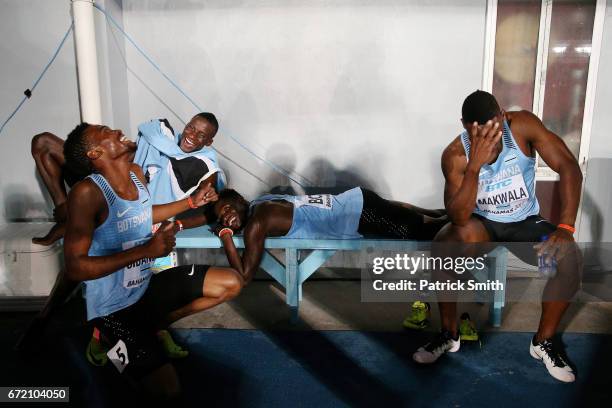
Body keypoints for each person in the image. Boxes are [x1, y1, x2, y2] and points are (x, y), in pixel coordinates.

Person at [411, 90, 582, 383]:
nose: (487, 139)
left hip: (525, 222)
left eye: (492, 130)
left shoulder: (523, 126)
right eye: (477, 134)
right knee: (444, 246)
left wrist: (565, 227)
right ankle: (449, 334)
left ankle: (542, 343)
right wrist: (475, 165)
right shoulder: (455, 155)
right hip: (483, 224)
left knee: (570, 260)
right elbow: (459, 217)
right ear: (464, 126)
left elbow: (568, 166)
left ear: (502, 116)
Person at [61, 122, 242, 398]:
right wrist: (146, 251)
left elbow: (145, 212)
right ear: (95, 154)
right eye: (105, 133)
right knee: (166, 392)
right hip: (112, 309)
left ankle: (148, 330)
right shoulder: (87, 194)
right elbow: (75, 268)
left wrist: (190, 203)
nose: (115, 130)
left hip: (145, 291)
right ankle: (114, 345)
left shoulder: (135, 174)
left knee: (231, 282)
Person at [30, 113, 221, 245]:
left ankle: (70, 220)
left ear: (208, 142)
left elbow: (209, 196)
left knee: (113, 210)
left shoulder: (204, 164)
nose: (191, 135)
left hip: (129, 206)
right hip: (110, 182)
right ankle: (64, 210)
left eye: (201, 135)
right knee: (43, 142)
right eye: (190, 128)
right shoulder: (162, 132)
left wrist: (180, 222)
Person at [211, 187, 447, 283]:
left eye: (228, 209)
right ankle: (452, 215)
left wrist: (225, 236)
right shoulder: (260, 202)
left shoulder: (258, 222)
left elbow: (243, 275)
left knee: (422, 232)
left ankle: (469, 221)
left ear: (240, 200)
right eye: (222, 218)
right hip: (357, 199)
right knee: (428, 216)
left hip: (358, 214)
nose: (227, 217)